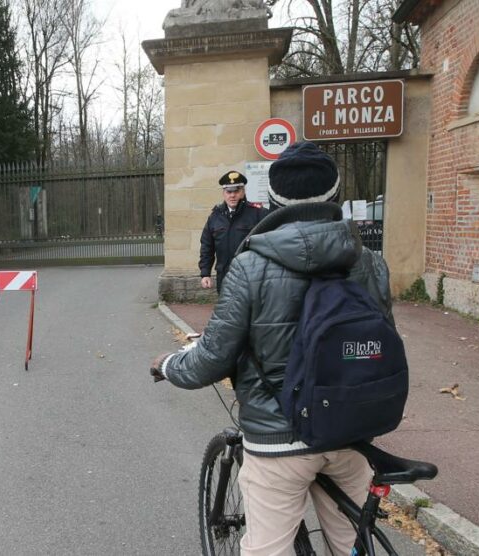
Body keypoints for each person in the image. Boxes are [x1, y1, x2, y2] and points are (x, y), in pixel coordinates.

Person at [151, 141, 394, 556]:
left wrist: (171, 365)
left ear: (275, 201)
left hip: (279, 437)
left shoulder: (250, 265)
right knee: (351, 543)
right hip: (350, 431)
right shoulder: (370, 262)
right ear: (335, 196)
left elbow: (213, 357)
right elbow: (383, 343)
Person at [199, 170, 267, 292]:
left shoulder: (258, 213)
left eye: (236, 191)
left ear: (243, 191)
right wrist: (205, 273)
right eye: (229, 191)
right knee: (226, 310)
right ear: (223, 193)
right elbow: (207, 246)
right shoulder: (215, 217)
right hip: (224, 276)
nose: (232, 195)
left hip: (250, 277)